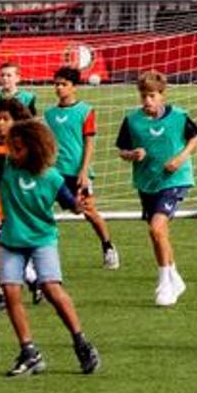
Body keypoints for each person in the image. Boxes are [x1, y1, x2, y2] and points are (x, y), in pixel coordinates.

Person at [0, 113, 101, 377]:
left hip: (42, 240)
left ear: (34, 148)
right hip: (12, 241)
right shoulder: (2, 165)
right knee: (10, 291)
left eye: (18, 149)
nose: (12, 153)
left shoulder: (51, 177)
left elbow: (70, 204)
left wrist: (79, 206)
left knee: (52, 289)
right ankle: (28, 351)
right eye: (10, 147)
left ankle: (81, 342)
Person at [113, 73, 195, 305]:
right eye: (143, 96)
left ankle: (164, 284)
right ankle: (174, 276)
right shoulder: (132, 121)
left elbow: (195, 137)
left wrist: (180, 158)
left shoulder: (179, 116)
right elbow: (122, 151)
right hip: (147, 181)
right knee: (159, 233)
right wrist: (132, 155)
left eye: (152, 95)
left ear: (162, 95)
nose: (147, 100)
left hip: (174, 180)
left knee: (156, 229)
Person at [40, 60, 116, 271]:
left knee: (88, 211)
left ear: (74, 86)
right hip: (55, 172)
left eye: (63, 84)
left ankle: (108, 246)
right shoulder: (49, 114)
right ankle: (38, 253)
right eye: (56, 84)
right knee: (41, 209)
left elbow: (89, 142)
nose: (58, 88)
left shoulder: (85, 111)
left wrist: (84, 170)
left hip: (77, 171)